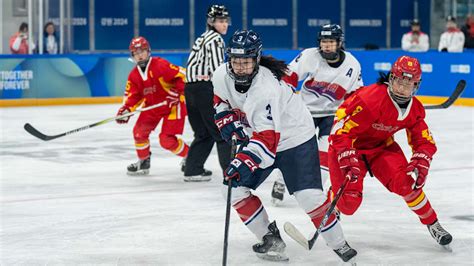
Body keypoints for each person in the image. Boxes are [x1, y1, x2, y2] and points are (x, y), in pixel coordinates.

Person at [213, 29, 357, 263]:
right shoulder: (220, 74)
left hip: (295, 139)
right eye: (235, 61)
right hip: (260, 136)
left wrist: (241, 161)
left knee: (309, 197)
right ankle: (270, 238)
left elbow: (268, 141)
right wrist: (225, 118)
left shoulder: (266, 89)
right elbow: (221, 99)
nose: (240, 67)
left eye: (246, 62)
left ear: (257, 59)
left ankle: (339, 244)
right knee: (232, 190)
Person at [327, 55, 453, 250]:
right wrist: (345, 156)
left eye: (409, 84)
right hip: (348, 148)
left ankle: (432, 223)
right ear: (391, 79)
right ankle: (333, 199)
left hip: (380, 148)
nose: (403, 88)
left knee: (407, 184)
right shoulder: (368, 100)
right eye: (400, 82)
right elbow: (338, 132)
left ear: (416, 85)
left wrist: (422, 159)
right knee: (348, 205)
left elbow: (423, 140)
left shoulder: (414, 109)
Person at [272, 24, 363, 205]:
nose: (326, 46)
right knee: (294, 149)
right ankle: (281, 181)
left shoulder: (352, 64)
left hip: (332, 114)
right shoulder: (309, 55)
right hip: (305, 111)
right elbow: (289, 75)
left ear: (339, 43)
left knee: (326, 153)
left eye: (330, 42)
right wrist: (284, 98)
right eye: (323, 42)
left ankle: (315, 192)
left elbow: (356, 96)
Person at [116, 36, 189, 176]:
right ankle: (143, 161)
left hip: (172, 106)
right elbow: (133, 96)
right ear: (132, 56)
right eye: (136, 53)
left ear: (148, 51)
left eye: (142, 51)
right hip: (152, 106)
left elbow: (183, 76)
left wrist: (177, 92)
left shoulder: (160, 65)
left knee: (166, 140)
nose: (140, 55)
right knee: (139, 132)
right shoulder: (133, 76)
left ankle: (190, 156)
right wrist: (126, 109)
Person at [183, 5, 231, 182]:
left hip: (190, 89)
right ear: (212, 22)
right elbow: (218, 69)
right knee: (220, 130)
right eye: (220, 21)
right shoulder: (215, 39)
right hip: (204, 89)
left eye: (226, 20)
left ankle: (193, 169)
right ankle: (231, 174)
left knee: (203, 132)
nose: (224, 24)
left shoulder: (203, 37)